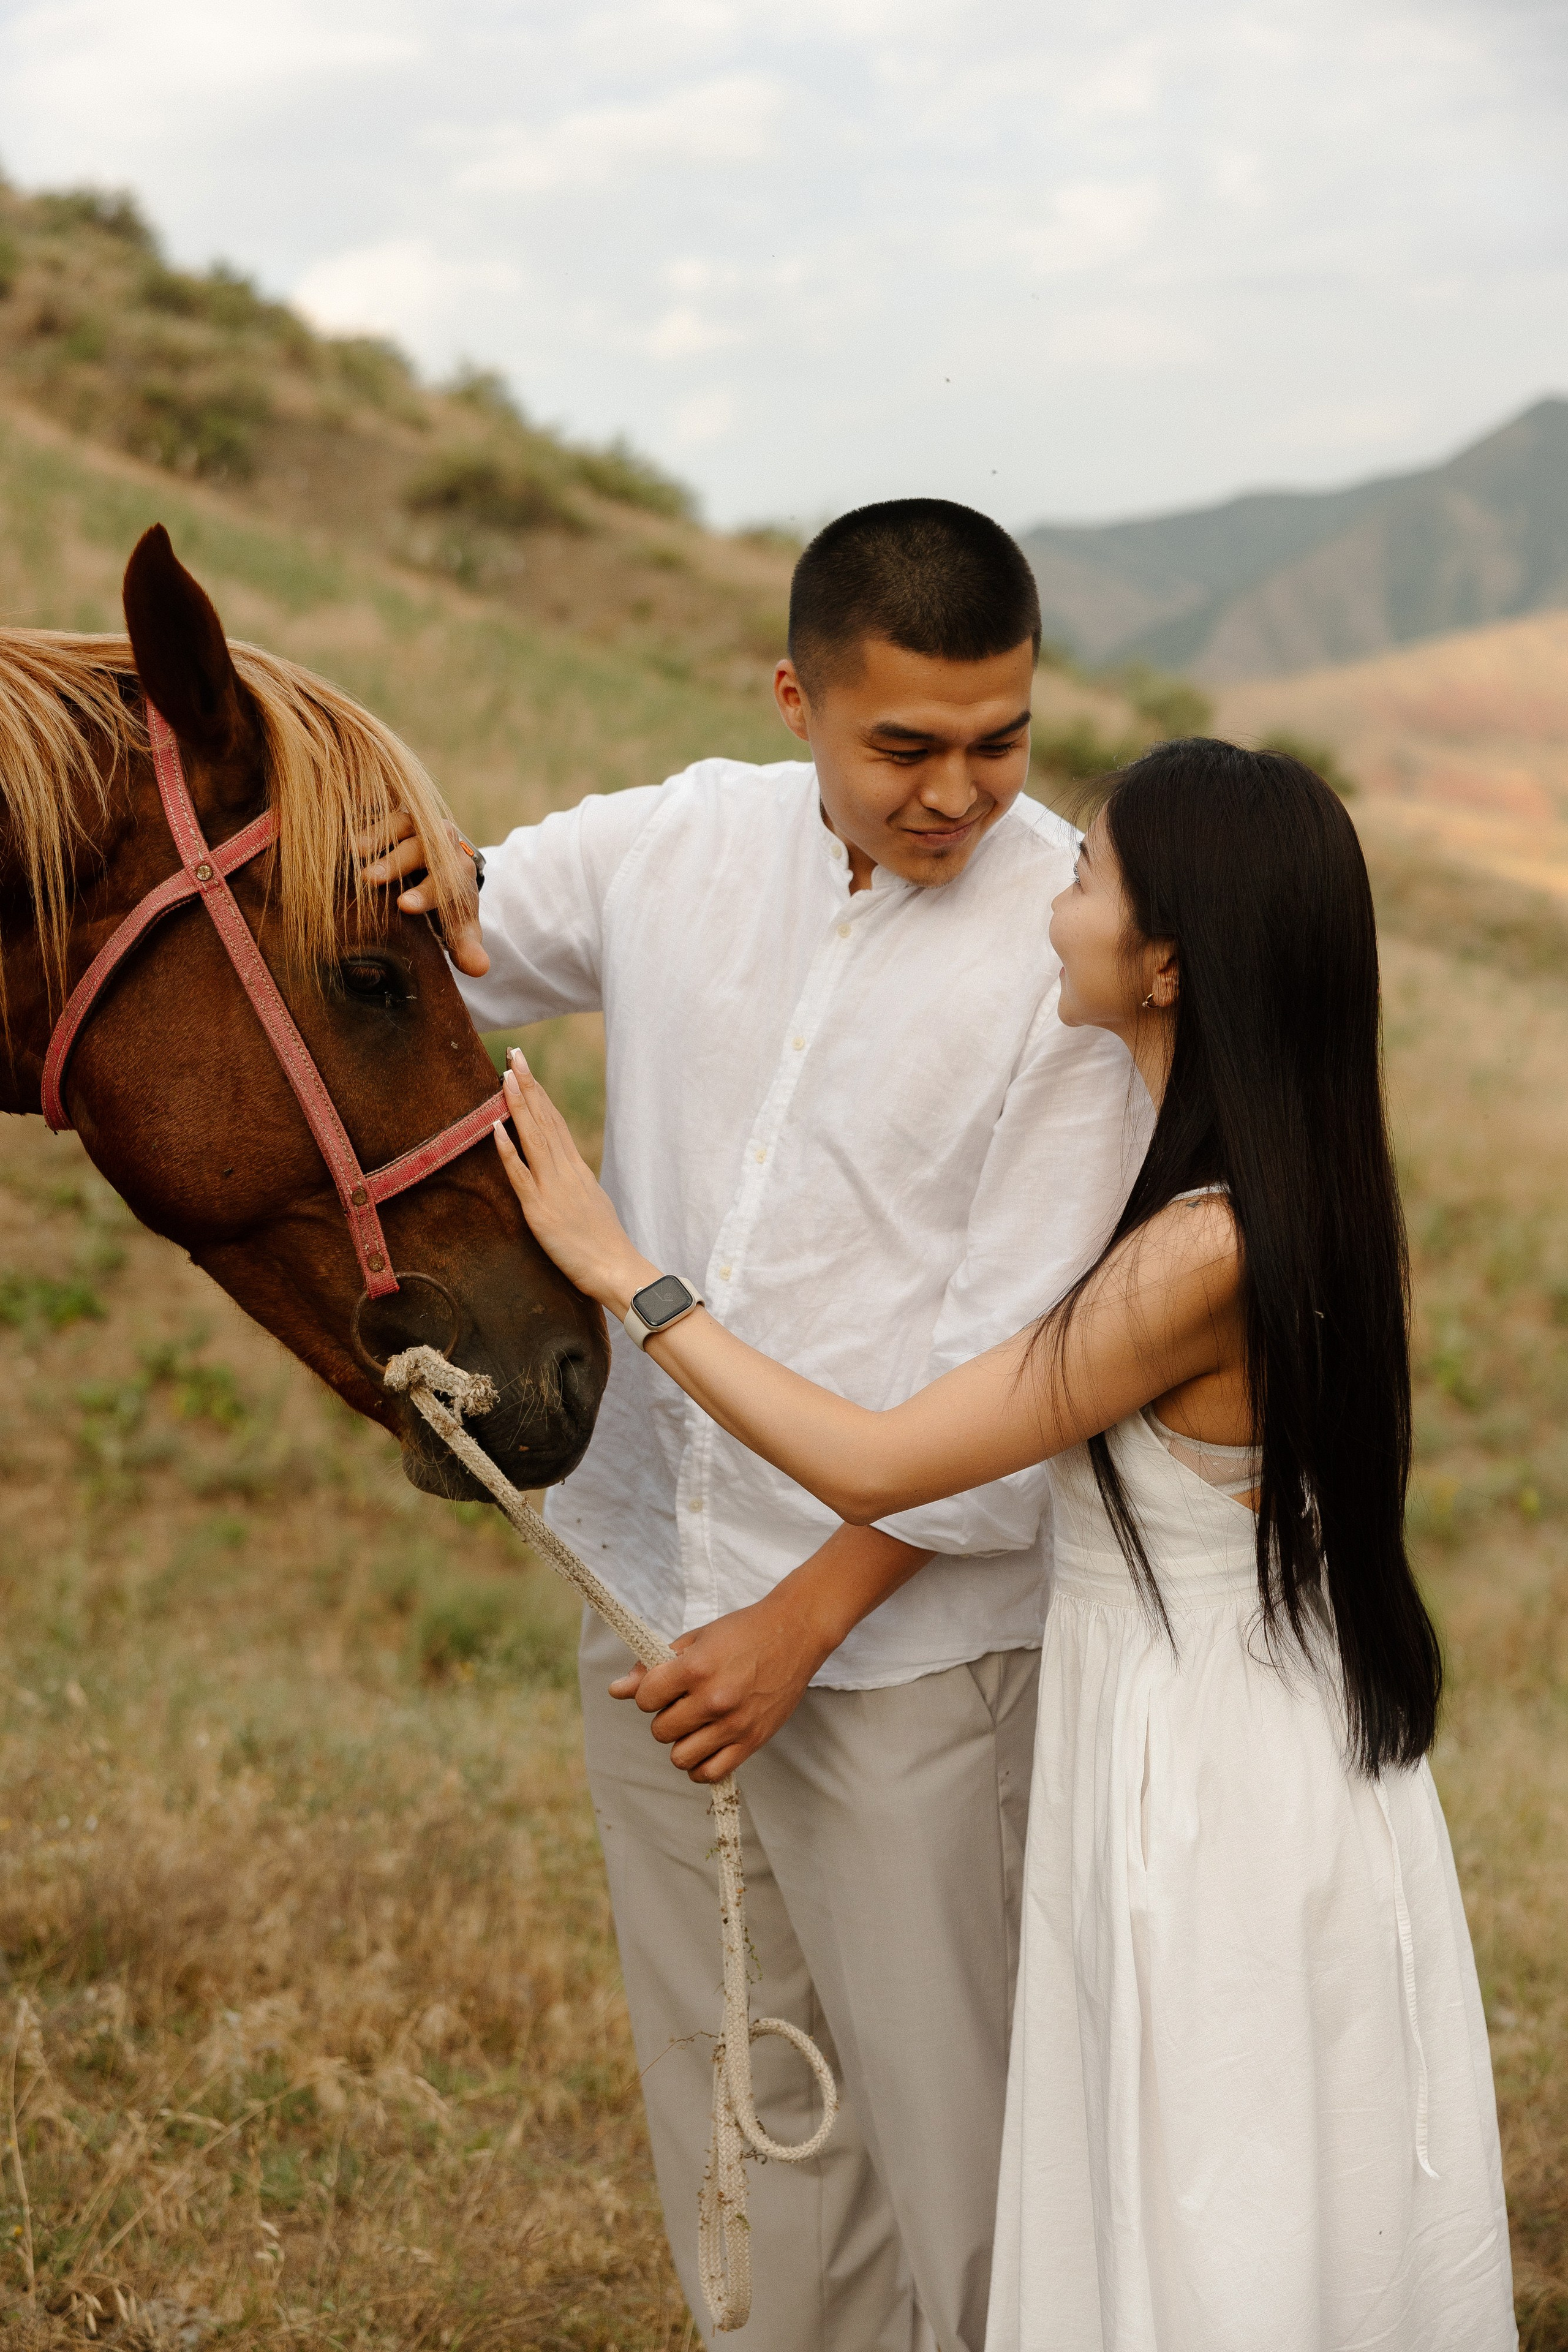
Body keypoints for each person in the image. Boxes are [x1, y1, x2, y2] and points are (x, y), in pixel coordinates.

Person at [489, 737, 1518, 2352]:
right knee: (1262, 2186)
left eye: (1090, 877)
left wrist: (629, 1278)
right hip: (1263, 1758)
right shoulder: (1293, 1197)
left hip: (1199, 1791)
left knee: (1204, 2207)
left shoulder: (1195, 1255)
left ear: (1167, 958)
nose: (1053, 899)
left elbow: (881, 1455)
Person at [364, 501, 1147, 2351]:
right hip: (649, 1597)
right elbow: (435, 925)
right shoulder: (676, 842)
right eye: (906, 746)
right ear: (796, 697)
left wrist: (798, 1630)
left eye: (1003, 738)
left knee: (956, 2155)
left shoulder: (1074, 957)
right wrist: (376, 838)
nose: (960, 792)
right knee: (736, 2103)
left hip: (906, 1656)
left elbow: (1015, 1381)